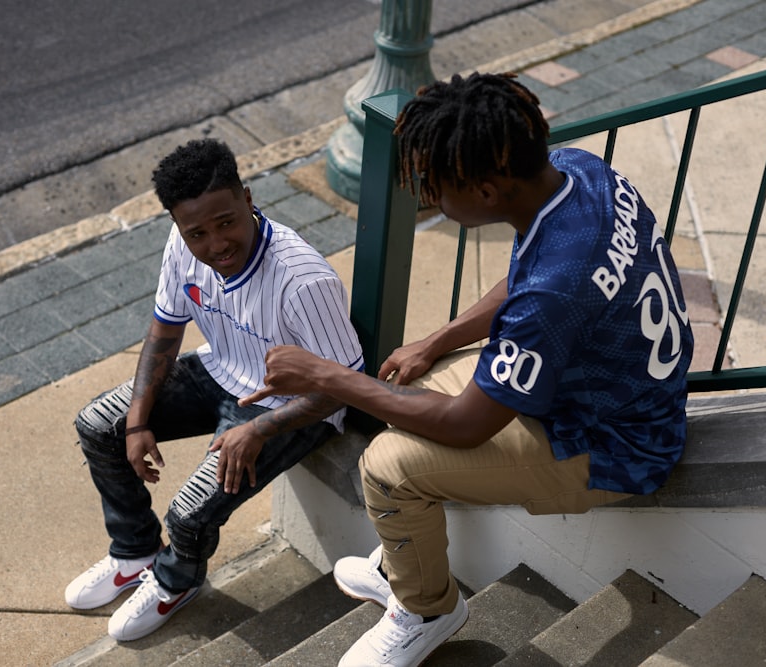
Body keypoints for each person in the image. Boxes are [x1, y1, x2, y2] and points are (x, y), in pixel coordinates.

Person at [239, 72, 694, 666]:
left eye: (433, 184)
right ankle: (410, 555)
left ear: (485, 191)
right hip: (608, 389)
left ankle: (428, 609)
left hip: (615, 446)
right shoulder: (580, 171)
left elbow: (464, 425)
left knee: (388, 467)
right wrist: (436, 340)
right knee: (405, 385)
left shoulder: (555, 293)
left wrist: (324, 375)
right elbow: (528, 283)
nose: (426, 196)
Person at [65, 138, 364, 642]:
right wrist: (138, 423)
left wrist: (260, 431)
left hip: (292, 405)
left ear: (248, 199)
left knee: (189, 511)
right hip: (220, 371)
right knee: (99, 425)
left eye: (226, 222)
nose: (215, 243)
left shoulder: (302, 279)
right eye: (197, 232)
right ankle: (134, 549)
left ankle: (175, 581)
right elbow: (165, 332)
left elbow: (347, 387)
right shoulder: (183, 247)